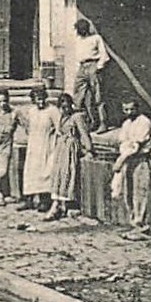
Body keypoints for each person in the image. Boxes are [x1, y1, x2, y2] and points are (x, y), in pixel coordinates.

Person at [45, 92, 92, 221]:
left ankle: (62, 205)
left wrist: (89, 149)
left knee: (67, 173)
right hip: (61, 148)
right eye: (62, 107)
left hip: (71, 148)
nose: (65, 109)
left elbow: (84, 134)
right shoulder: (61, 118)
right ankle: (57, 204)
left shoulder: (77, 117)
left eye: (67, 106)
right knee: (57, 174)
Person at [111, 98, 151, 227]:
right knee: (128, 190)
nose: (129, 112)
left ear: (137, 108)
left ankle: (141, 222)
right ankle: (133, 220)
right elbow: (123, 142)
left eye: (132, 109)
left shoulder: (144, 122)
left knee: (140, 191)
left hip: (140, 159)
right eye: (126, 109)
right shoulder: (126, 124)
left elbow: (136, 145)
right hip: (128, 160)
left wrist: (120, 160)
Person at [17, 85, 60, 212]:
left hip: (47, 145)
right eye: (37, 99)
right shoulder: (32, 111)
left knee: (45, 172)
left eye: (42, 99)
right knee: (31, 171)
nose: (40, 102)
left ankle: (44, 200)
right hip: (33, 145)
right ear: (33, 100)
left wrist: (55, 145)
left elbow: (59, 129)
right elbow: (28, 128)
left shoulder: (53, 110)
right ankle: (28, 199)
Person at [70, 17, 111, 132]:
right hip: (82, 67)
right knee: (80, 96)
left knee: (98, 95)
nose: (80, 31)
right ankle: (90, 122)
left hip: (93, 65)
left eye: (82, 29)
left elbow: (104, 54)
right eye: (78, 29)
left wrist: (98, 67)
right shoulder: (78, 40)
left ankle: (103, 123)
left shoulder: (96, 38)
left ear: (86, 29)